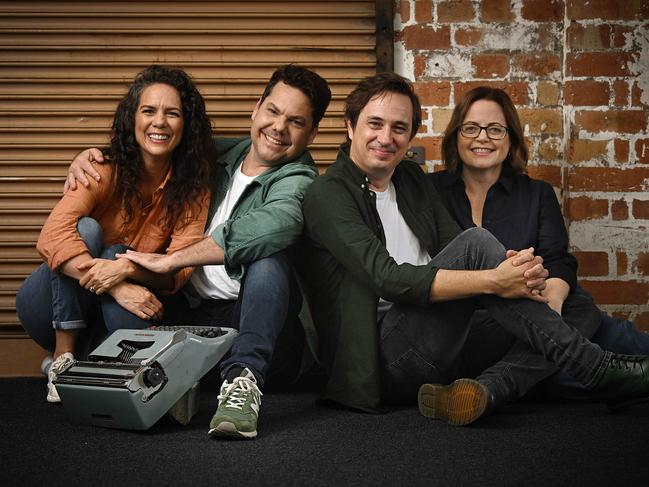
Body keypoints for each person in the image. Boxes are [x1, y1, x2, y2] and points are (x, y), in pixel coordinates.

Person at [299, 72, 649, 425]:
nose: (386, 138)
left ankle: (488, 390)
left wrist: (517, 272)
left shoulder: (410, 180)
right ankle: (598, 370)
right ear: (350, 126)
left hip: (440, 341)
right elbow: (387, 278)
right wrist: (494, 281)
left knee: (572, 301)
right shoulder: (327, 194)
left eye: (400, 128)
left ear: (411, 136)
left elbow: (457, 244)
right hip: (381, 362)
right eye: (375, 123)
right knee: (479, 243)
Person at [64, 64, 332, 439]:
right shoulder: (215, 154)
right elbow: (153, 147)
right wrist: (94, 157)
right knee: (117, 256)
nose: (278, 128)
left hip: (253, 323)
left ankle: (242, 383)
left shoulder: (301, 180)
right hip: (188, 309)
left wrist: (173, 258)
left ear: (312, 133)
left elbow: (274, 225)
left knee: (270, 259)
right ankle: (163, 382)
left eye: (296, 121)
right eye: (273, 111)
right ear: (256, 108)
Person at [428, 85, 649, 403]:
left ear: (511, 138)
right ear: (455, 135)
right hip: (471, 324)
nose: (483, 138)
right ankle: (560, 377)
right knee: (583, 314)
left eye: (495, 129)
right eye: (471, 128)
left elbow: (558, 259)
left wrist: (553, 307)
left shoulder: (537, 194)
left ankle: (488, 391)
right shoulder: (429, 191)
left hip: (542, 319)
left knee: (591, 317)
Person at [16, 65, 213, 404]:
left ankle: (118, 373)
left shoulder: (193, 189)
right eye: (148, 111)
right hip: (46, 309)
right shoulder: (100, 167)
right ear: (132, 119)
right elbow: (52, 235)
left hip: (105, 320)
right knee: (85, 230)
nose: (159, 122)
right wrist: (118, 285)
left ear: (187, 125)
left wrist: (125, 269)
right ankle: (63, 358)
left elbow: (178, 273)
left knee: (119, 255)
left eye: (173, 113)